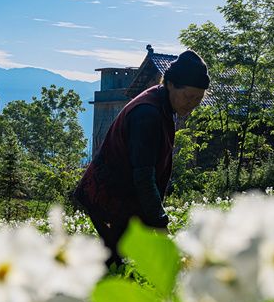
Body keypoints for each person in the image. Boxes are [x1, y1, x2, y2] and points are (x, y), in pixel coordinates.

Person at [73, 50, 209, 265]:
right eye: (189, 96)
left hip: (121, 197)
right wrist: (159, 222)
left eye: (198, 99)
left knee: (119, 262)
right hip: (108, 197)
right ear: (171, 84)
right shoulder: (148, 114)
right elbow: (144, 175)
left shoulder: (163, 102)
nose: (192, 104)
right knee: (116, 263)